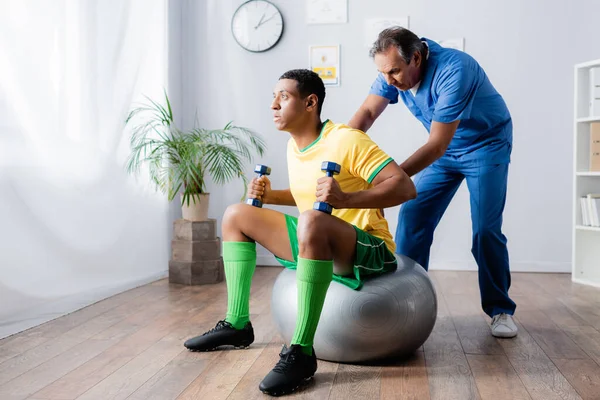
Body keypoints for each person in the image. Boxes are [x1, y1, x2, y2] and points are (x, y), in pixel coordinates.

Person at [183, 69, 416, 396]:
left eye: (284, 96)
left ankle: (302, 352)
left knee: (311, 221)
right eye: (273, 97)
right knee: (236, 214)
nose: (274, 105)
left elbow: (405, 188)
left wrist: (346, 199)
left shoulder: (346, 139)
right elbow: (308, 195)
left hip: (368, 248)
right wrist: (271, 196)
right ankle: (236, 324)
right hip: (319, 236)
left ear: (310, 102)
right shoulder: (296, 146)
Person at [349, 26, 518, 338]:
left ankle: (500, 309)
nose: (389, 81)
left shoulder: (457, 69)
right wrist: (342, 154)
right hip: (445, 150)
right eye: (383, 73)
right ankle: (407, 300)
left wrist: (389, 177)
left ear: (416, 58)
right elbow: (367, 114)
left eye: (395, 72)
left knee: (485, 229)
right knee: (413, 216)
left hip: (486, 145)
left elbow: (436, 145)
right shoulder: (392, 67)